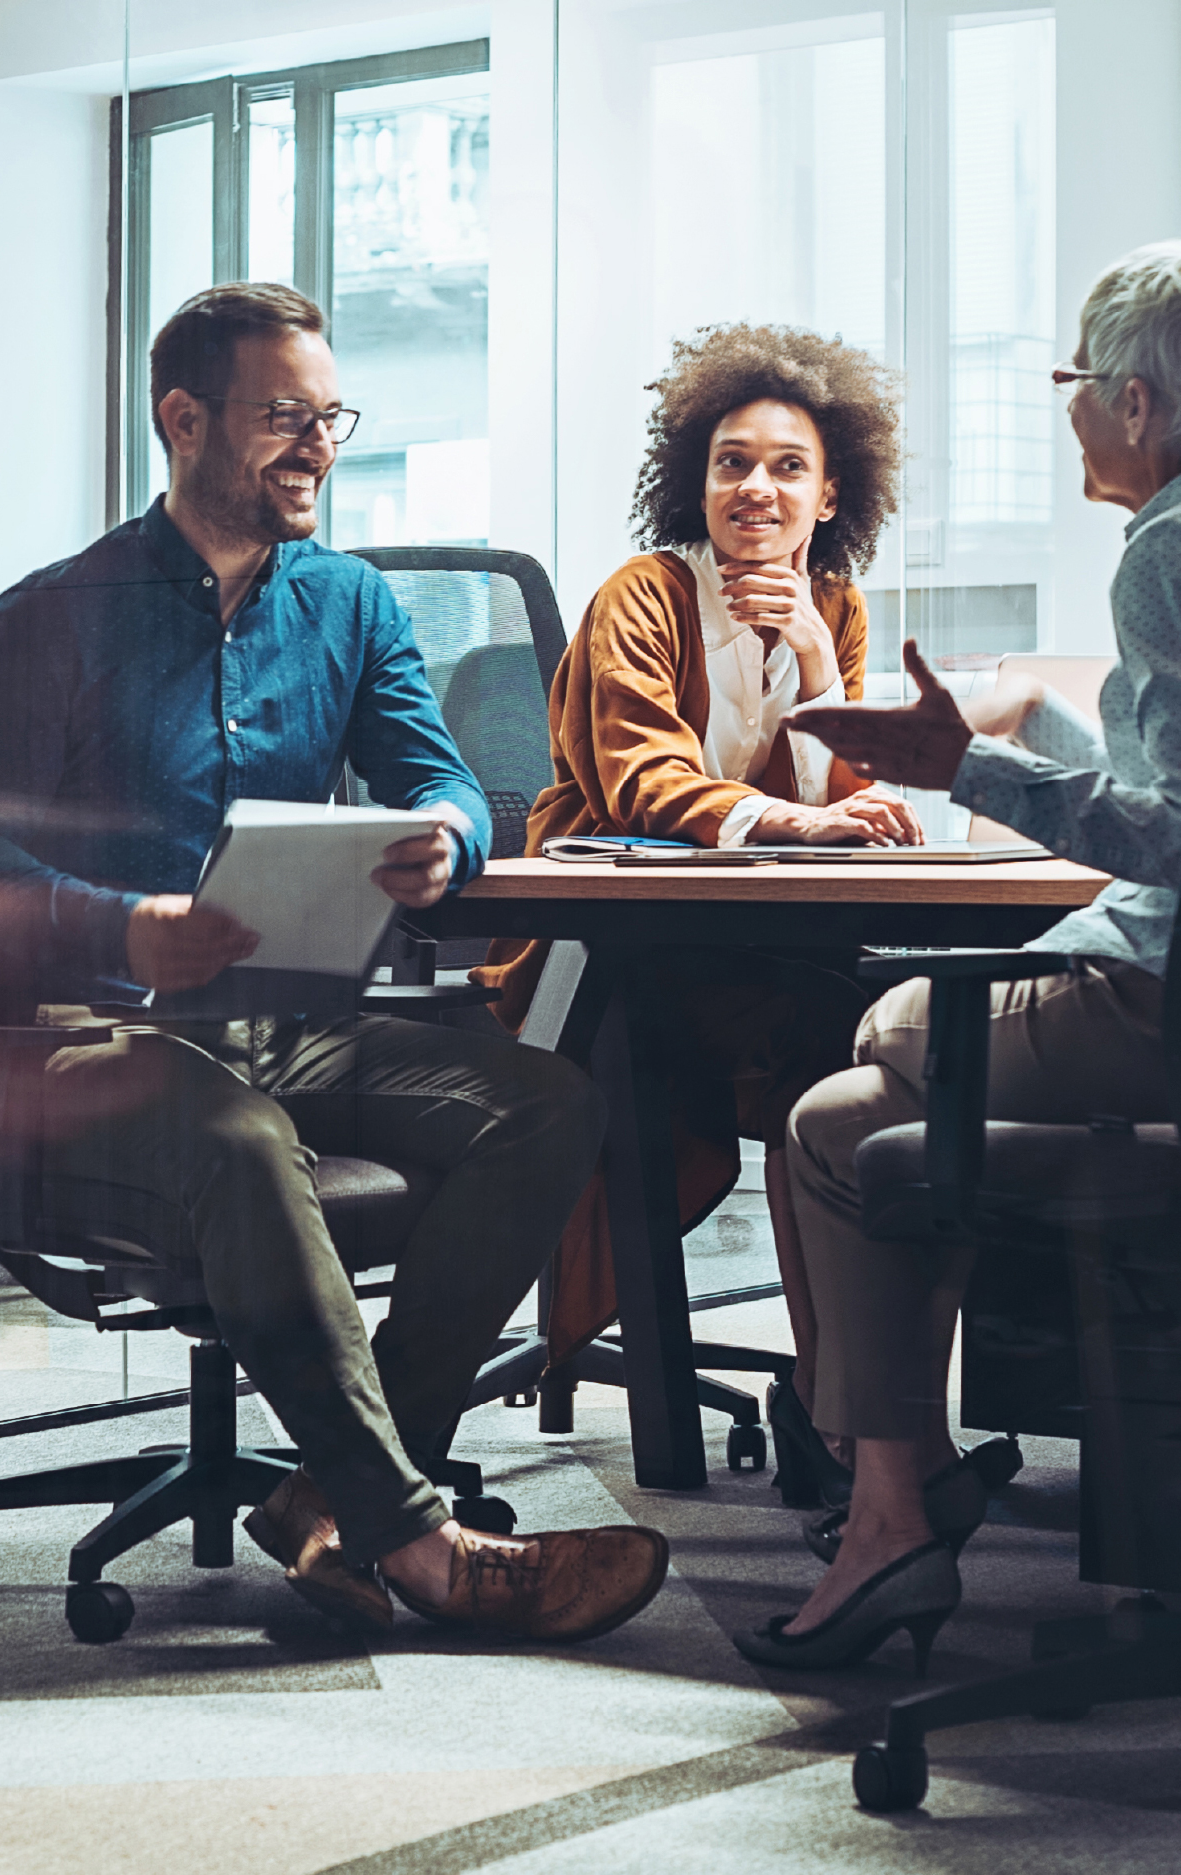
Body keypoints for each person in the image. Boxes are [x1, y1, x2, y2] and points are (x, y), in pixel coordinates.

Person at [0, 281, 666, 1645]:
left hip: (288, 1020)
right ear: (183, 420)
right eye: (285, 418)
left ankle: (333, 1493)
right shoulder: (52, 616)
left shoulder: (351, 604)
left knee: (546, 1101)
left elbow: (441, 777)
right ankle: (424, 1543)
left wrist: (444, 839)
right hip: (82, 1040)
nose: (318, 445)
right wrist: (120, 922)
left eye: (331, 417)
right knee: (245, 1139)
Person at [743, 237, 1181, 1669]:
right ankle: (888, 1510)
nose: (1063, 410)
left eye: (1067, 380)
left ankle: (894, 1503)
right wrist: (1011, 731)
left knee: (885, 1037)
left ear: (1130, 399)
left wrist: (958, 772)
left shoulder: (1174, 544)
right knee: (843, 1126)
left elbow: (1179, 840)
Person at [471, 322, 917, 1484]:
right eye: (730, 462)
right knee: (806, 1045)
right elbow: (640, 778)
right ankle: (833, 1419)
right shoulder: (645, 595)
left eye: (786, 467)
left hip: (747, 943)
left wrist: (820, 671)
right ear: (694, 480)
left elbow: (848, 792)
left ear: (831, 495)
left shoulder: (837, 606)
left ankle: (837, 1409)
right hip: (601, 946)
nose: (755, 488)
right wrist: (796, 820)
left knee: (848, 1060)